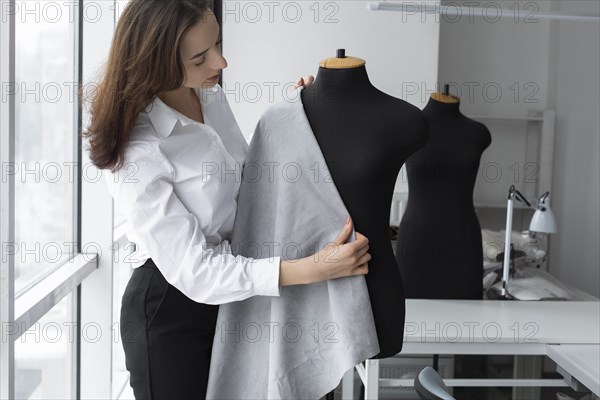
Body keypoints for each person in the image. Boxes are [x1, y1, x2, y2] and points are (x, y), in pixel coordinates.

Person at [82, 1, 371, 398]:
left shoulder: (207, 93)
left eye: (216, 42)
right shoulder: (138, 150)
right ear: (157, 63)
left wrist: (294, 117)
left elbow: (244, 177)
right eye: (200, 57)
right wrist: (311, 269)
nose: (221, 61)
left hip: (235, 287)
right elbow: (196, 271)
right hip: (173, 309)